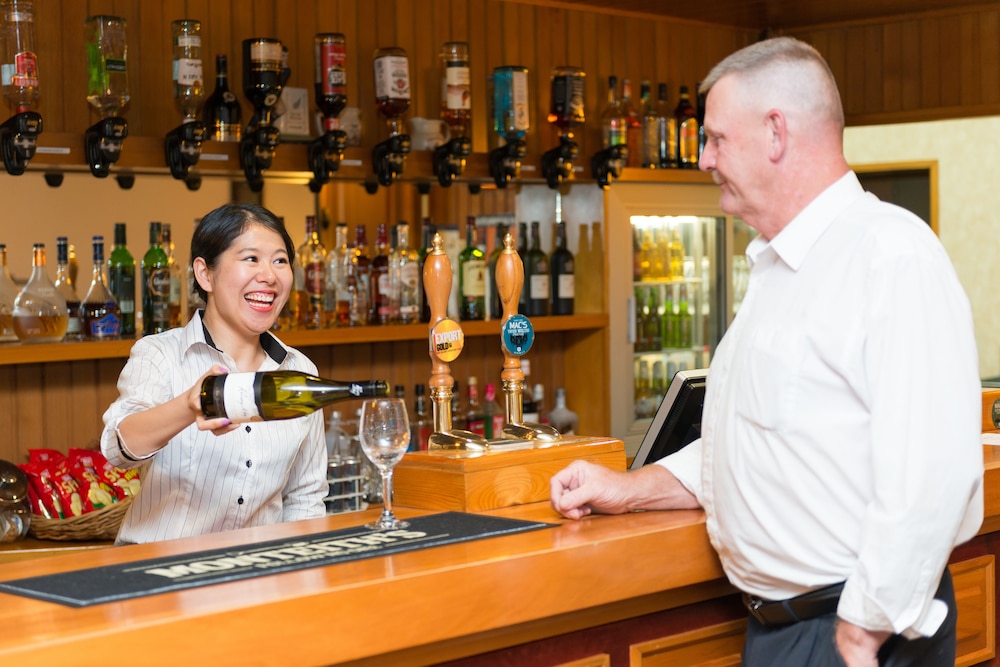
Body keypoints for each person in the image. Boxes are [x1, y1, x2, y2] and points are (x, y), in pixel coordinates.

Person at [550, 37, 983, 667]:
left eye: (716, 139)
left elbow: (934, 467)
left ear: (776, 133)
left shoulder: (890, 254)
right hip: (784, 631)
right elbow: (755, 447)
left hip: (851, 631)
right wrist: (628, 488)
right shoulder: (776, 267)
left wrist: (864, 627)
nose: (704, 159)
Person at [101, 203, 327, 545]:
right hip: (159, 568)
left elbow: (305, 496)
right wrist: (189, 405)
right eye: (251, 258)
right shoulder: (160, 354)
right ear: (205, 274)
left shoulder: (300, 371)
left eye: (280, 261)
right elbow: (118, 448)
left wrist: (301, 566)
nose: (269, 275)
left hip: (257, 570)